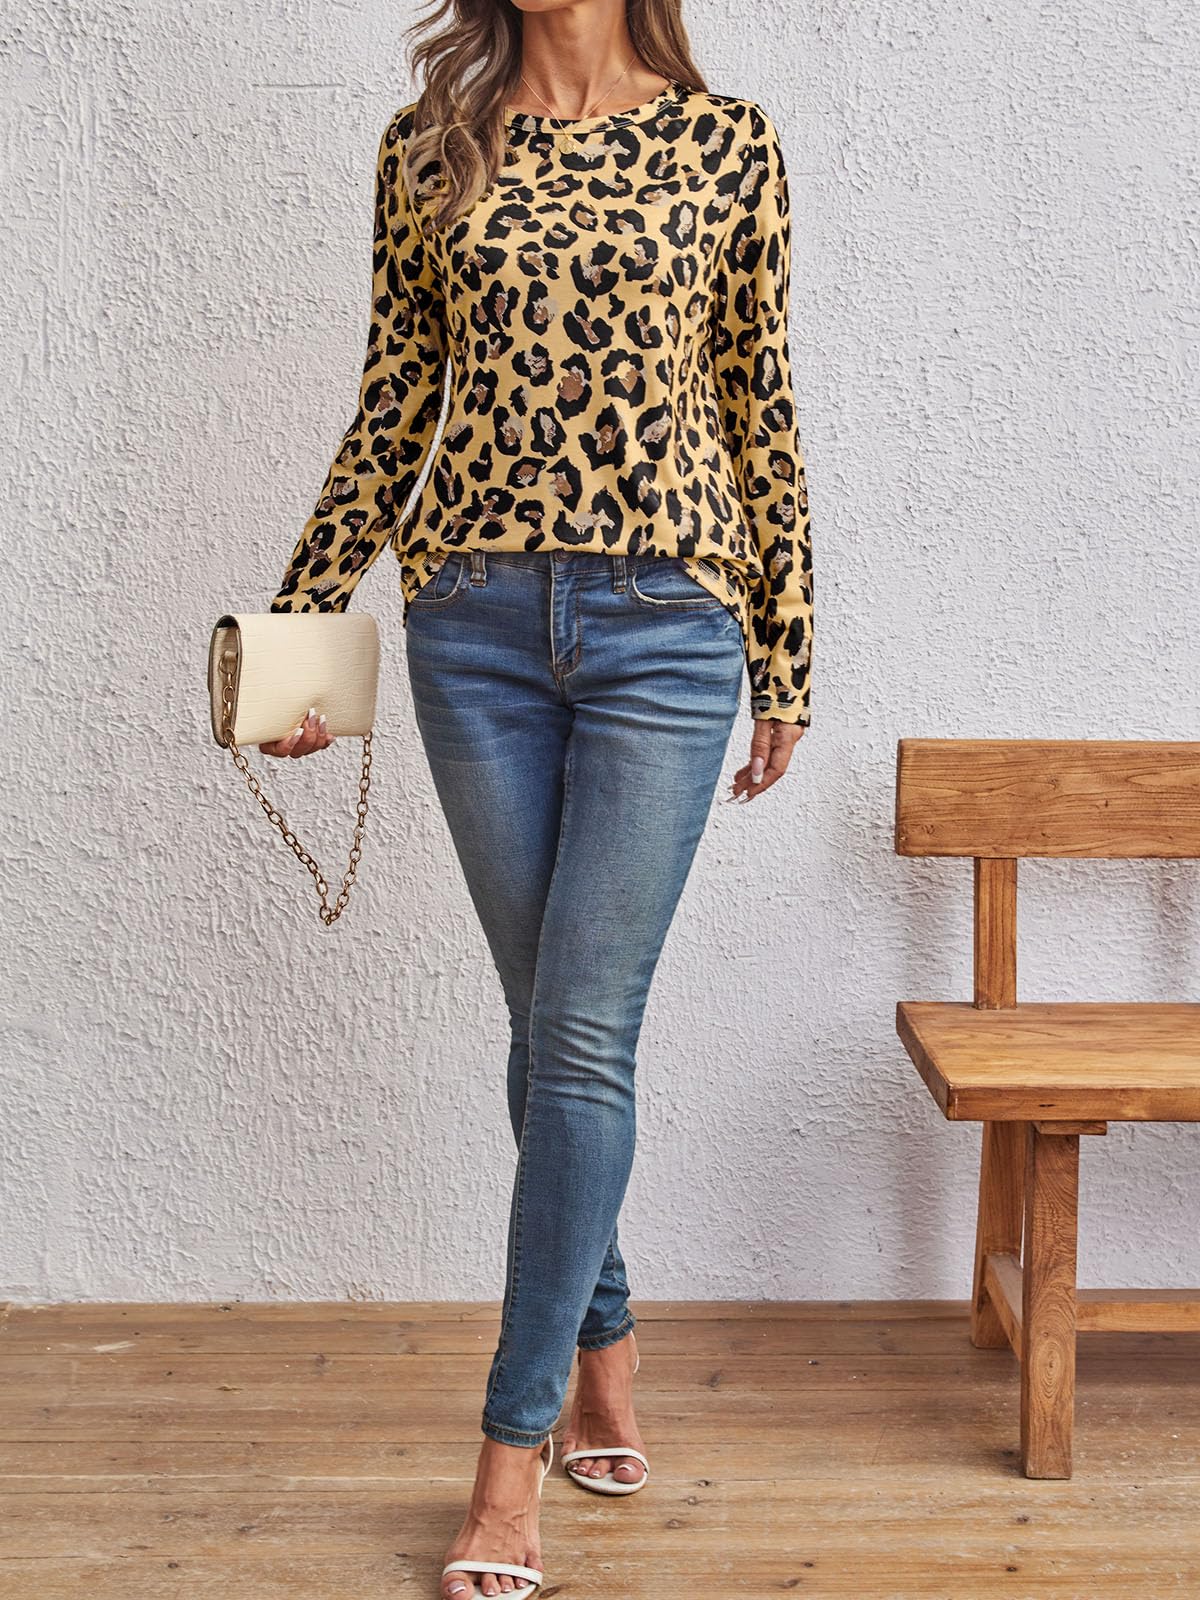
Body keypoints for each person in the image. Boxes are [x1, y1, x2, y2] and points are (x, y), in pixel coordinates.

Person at [262, 2, 813, 1593]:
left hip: (669, 626)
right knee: (547, 1028)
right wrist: (300, 628)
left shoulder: (729, 143)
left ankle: (509, 1468)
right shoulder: (432, 144)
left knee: (579, 1036)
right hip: (476, 623)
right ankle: (607, 1349)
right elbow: (396, 398)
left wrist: (786, 649)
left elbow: (760, 402)